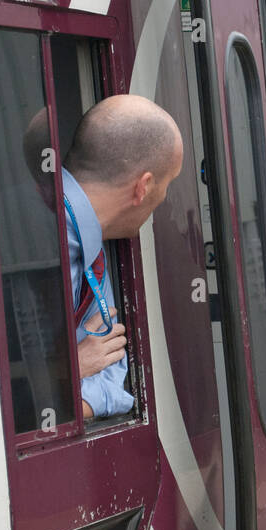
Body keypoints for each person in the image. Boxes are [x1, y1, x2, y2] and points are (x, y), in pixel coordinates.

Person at [61, 95, 183, 419]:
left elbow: (110, 381)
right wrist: (63, 377)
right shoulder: (28, 241)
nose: (165, 197)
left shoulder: (93, 245)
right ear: (142, 187)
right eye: (168, 184)